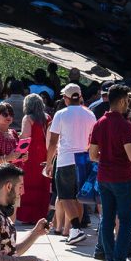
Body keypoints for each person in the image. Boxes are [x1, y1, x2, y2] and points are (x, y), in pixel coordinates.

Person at [89, 84, 131, 261]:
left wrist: (108, 154)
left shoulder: (99, 123)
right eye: (127, 100)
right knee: (126, 221)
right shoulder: (124, 125)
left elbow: (93, 155)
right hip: (122, 178)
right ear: (121, 101)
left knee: (107, 219)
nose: (128, 104)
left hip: (104, 177)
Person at [44, 83, 96, 244]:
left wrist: (48, 163)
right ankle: (75, 229)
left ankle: (75, 228)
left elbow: (53, 142)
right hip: (84, 159)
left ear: (66, 98)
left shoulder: (61, 114)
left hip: (66, 159)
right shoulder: (90, 115)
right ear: (79, 96)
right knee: (79, 198)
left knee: (65, 197)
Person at [16, 94, 51, 224]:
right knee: (43, 184)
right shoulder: (47, 117)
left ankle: (28, 216)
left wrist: (18, 154)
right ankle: (41, 214)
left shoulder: (28, 118)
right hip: (45, 154)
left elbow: (25, 138)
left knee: (29, 184)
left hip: (31, 156)